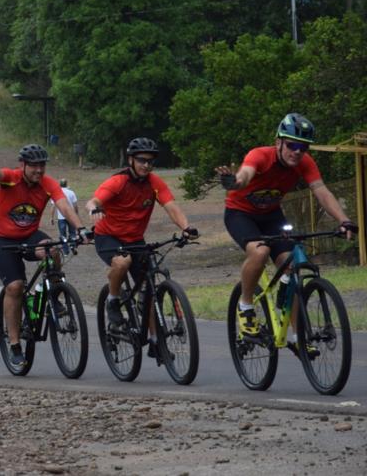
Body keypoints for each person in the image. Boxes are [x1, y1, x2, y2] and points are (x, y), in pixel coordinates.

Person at [215, 114, 356, 353]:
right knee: (260, 252)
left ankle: (297, 337)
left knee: (292, 266)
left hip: (271, 216)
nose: (297, 152)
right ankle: (246, 306)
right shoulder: (260, 155)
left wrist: (344, 220)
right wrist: (234, 182)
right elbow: (245, 175)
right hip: (241, 214)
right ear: (278, 142)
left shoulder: (305, 162)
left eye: (303, 147)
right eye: (292, 145)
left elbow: (321, 192)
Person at [0, 140, 89, 367]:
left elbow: (63, 206)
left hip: (29, 235)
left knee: (52, 248)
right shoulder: (12, 178)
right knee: (15, 287)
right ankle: (15, 344)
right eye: (33, 165)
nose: (39, 170)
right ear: (22, 165)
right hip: (2, 240)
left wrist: (80, 228)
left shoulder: (47, 183)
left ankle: (53, 289)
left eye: (42, 165)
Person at [86, 137, 198, 357]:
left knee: (149, 288)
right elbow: (94, 201)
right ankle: (112, 300)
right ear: (131, 160)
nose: (146, 165)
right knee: (123, 261)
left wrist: (186, 227)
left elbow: (171, 206)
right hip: (108, 237)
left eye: (150, 161)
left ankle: (157, 342)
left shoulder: (154, 183)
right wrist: (94, 210)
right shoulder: (118, 182)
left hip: (135, 239)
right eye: (141, 160)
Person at [50, 179, 78, 255]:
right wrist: (76, 215)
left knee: (63, 235)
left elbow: (53, 207)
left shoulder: (56, 193)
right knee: (72, 233)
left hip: (61, 217)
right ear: (66, 184)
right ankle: (73, 246)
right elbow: (75, 205)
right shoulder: (71, 192)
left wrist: (52, 217)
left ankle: (65, 251)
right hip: (71, 217)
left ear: (60, 184)